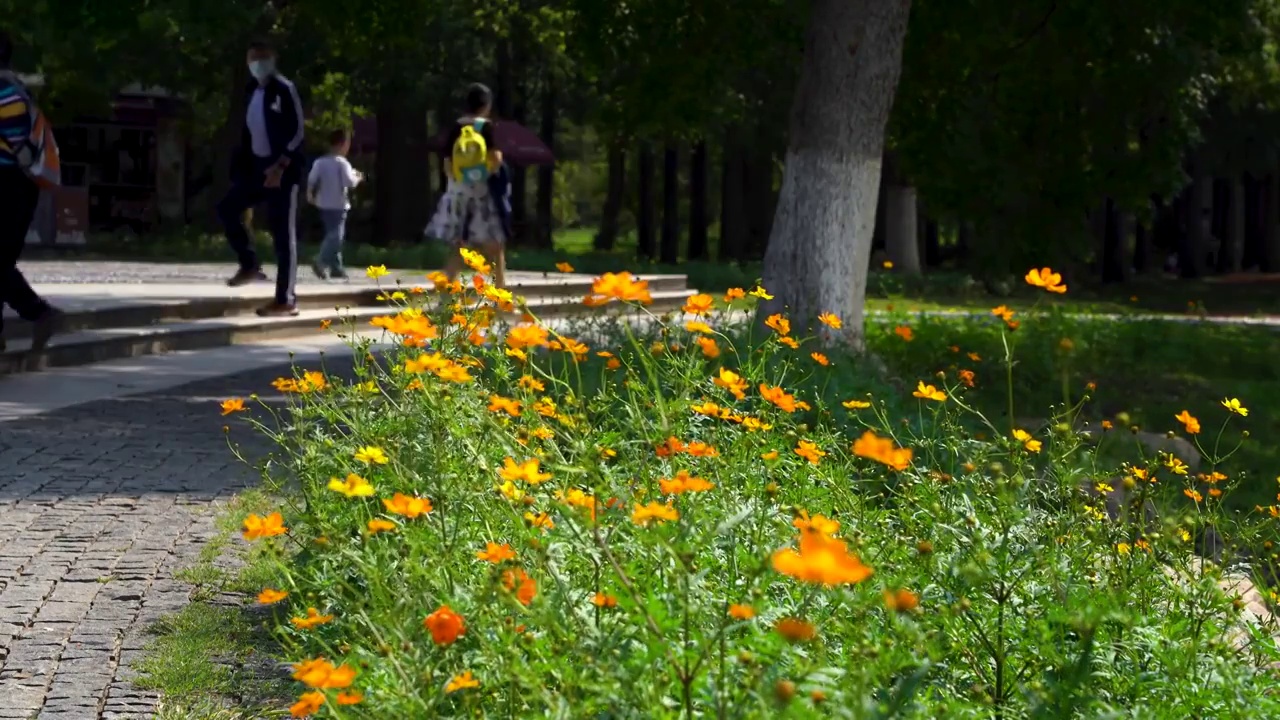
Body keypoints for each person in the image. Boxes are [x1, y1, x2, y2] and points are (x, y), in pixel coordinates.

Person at [216, 39, 306, 316]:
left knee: (282, 235)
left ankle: (286, 298)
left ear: (273, 59)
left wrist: (280, 165)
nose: (258, 64)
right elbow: (247, 131)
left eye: (262, 58)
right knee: (228, 208)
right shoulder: (251, 90)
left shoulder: (284, 88)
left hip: (281, 171)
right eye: (253, 58)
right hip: (256, 168)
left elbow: (298, 131)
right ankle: (249, 264)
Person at [0, 30, 59, 352]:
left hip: (8, 184)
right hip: (17, 186)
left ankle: (39, 313)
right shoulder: (15, 89)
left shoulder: (6, 94)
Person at [425, 83, 508, 288]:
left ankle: (444, 297)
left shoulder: (456, 128)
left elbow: (447, 165)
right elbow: (496, 158)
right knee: (496, 248)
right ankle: (501, 298)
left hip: (458, 195)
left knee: (459, 248)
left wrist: (461, 179)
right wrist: (482, 174)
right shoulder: (485, 127)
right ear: (486, 105)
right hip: (481, 196)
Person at [307, 128, 362, 280]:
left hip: (324, 203)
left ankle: (336, 267)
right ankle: (320, 260)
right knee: (336, 236)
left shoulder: (320, 162)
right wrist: (357, 177)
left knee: (331, 234)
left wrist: (309, 193)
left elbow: (312, 179)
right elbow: (348, 182)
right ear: (342, 144)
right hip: (339, 203)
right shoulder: (342, 163)